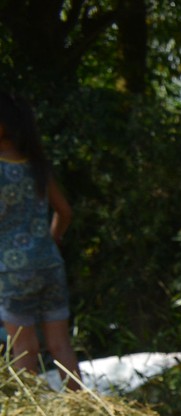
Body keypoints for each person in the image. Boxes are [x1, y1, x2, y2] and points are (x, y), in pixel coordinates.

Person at [0, 91, 80, 390]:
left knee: (24, 350)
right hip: (49, 264)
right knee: (61, 347)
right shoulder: (36, 165)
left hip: (11, 271)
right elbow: (65, 212)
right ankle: (86, 410)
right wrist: (51, 240)